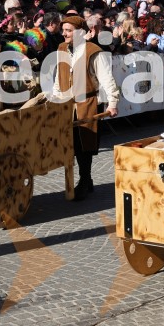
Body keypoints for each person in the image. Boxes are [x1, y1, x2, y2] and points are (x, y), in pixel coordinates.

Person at [53, 16, 120, 201]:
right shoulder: (61, 49)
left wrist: (113, 102)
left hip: (88, 104)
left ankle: (84, 180)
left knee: (85, 145)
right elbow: (59, 76)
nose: (64, 34)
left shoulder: (93, 51)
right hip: (67, 104)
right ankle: (86, 179)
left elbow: (107, 79)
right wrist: (56, 98)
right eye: (63, 30)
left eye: (68, 30)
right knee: (71, 144)